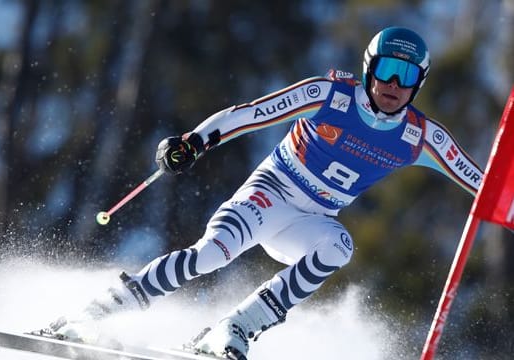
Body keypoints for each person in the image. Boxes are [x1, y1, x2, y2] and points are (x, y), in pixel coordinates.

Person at [35, 27, 483, 360]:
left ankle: (235, 329)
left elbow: (483, 184)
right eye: (386, 69)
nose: (393, 85)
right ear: (369, 68)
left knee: (339, 246)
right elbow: (251, 114)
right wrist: (194, 142)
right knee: (212, 255)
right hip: (272, 192)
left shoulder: (420, 138)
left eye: (406, 76)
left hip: (313, 221)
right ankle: (97, 312)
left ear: (418, 84)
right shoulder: (330, 94)